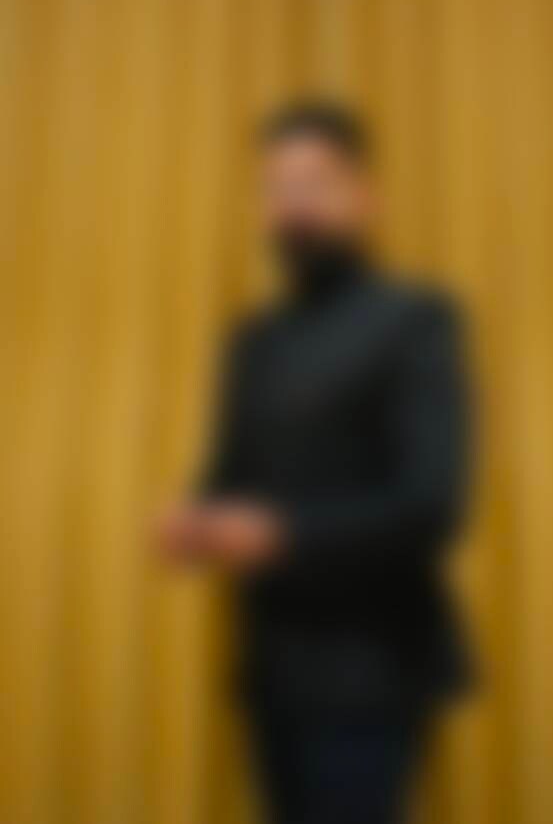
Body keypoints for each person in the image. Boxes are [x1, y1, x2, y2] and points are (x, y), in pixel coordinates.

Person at [157, 101, 473, 824]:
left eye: (314, 184)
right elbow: (228, 475)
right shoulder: (253, 341)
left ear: (364, 196)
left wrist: (282, 533)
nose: (293, 206)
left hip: (374, 672)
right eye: (277, 188)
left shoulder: (416, 321)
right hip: (271, 669)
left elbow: (433, 503)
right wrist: (194, 521)